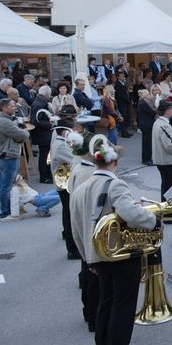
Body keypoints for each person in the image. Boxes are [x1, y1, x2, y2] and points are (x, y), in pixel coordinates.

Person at [69, 137, 157, 345]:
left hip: (96, 256)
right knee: (123, 304)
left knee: (106, 303)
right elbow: (130, 213)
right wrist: (153, 220)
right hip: (119, 255)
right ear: (114, 162)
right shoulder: (114, 185)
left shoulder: (79, 189)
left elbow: (76, 227)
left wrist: (88, 258)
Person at [66, 129, 99, 331]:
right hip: (90, 228)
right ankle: (94, 316)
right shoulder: (88, 173)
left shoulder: (79, 168)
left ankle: (89, 312)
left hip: (82, 225)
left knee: (88, 273)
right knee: (94, 278)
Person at [50, 107, 79, 258]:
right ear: (64, 131)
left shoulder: (60, 140)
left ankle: (71, 244)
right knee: (70, 216)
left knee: (67, 213)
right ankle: (72, 248)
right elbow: (74, 159)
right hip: (64, 183)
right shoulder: (61, 144)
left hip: (64, 181)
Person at [0, 99, 29, 219]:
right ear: (4, 107)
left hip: (10, 155)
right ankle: (5, 212)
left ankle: (13, 208)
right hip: (7, 157)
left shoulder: (7, 120)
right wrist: (24, 131)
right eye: (12, 106)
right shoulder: (4, 122)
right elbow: (22, 135)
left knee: (11, 183)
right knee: (6, 185)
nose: (15, 108)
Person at [152, 99, 172, 203]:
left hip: (162, 160)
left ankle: (165, 211)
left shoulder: (158, 122)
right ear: (167, 111)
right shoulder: (164, 125)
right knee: (169, 188)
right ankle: (169, 214)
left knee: (166, 186)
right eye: (171, 108)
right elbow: (169, 146)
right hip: (167, 161)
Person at [30, 85, 54, 183]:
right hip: (42, 135)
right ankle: (44, 176)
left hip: (44, 134)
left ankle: (47, 175)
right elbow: (36, 120)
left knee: (47, 156)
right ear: (47, 94)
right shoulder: (38, 104)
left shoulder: (40, 102)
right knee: (44, 156)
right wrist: (50, 124)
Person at [136, 89, 156, 166]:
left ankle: (146, 159)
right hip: (147, 125)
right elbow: (152, 112)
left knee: (146, 143)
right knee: (147, 143)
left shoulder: (141, 102)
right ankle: (147, 159)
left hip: (144, 124)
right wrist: (155, 109)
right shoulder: (143, 103)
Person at [114, 71, 133, 138]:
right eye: (121, 76)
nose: (123, 77)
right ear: (118, 77)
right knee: (123, 118)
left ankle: (126, 131)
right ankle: (123, 133)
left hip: (126, 103)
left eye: (123, 75)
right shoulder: (118, 84)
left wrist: (129, 100)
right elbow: (121, 95)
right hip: (122, 103)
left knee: (127, 117)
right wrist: (128, 101)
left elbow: (127, 93)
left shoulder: (123, 83)